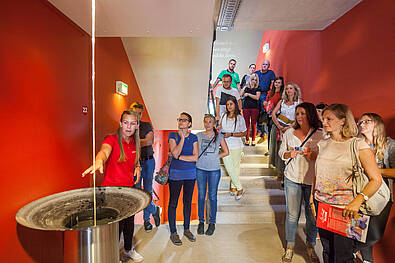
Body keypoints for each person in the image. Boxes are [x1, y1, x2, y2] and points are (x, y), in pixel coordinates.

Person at [312, 104, 382, 263]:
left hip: (347, 209)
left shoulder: (357, 145)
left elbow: (376, 179)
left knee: (344, 256)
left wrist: (358, 201)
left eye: (329, 119)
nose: (324, 122)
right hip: (322, 205)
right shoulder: (322, 144)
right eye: (323, 118)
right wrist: (312, 199)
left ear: (343, 121)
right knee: (327, 250)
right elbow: (317, 174)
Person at [82, 110, 144, 262]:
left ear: (137, 125)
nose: (128, 127)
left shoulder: (135, 143)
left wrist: (137, 167)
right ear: (120, 123)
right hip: (110, 193)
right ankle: (111, 256)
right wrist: (99, 161)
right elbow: (104, 151)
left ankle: (128, 250)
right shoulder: (112, 139)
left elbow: (135, 161)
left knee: (129, 224)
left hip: (129, 191)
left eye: (132, 123)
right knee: (114, 228)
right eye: (125, 123)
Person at [278, 102, 323, 263]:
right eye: (297, 114)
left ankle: (310, 245)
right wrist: (289, 153)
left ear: (310, 114)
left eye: (303, 113)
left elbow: (325, 157)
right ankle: (290, 246)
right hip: (292, 177)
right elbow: (281, 152)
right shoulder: (289, 132)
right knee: (292, 215)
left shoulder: (320, 134)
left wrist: (315, 156)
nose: (299, 117)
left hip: (312, 180)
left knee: (312, 217)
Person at [353, 113, 395, 263]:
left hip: (383, 195)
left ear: (377, 124)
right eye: (360, 122)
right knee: (359, 231)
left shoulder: (390, 145)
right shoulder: (356, 143)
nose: (362, 124)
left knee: (375, 234)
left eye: (367, 121)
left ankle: (348, 250)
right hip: (359, 193)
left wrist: (376, 171)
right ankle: (367, 261)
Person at [167, 112, 199, 246]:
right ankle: (173, 232)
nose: (181, 122)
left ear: (190, 123)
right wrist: (183, 139)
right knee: (173, 202)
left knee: (187, 202)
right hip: (175, 174)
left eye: (184, 120)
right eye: (179, 119)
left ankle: (186, 229)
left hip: (190, 174)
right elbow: (174, 153)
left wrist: (179, 158)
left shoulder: (194, 137)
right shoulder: (173, 136)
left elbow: (195, 157)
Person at [130, 102, 161, 232]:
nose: (137, 116)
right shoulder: (128, 126)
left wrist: (132, 142)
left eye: (139, 113)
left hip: (148, 162)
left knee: (147, 191)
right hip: (134, 164)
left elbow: (149, 141)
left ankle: (146, 220)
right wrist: (138, 142)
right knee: (138, 194)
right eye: (135, 112)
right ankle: (154, 209)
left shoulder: (146, 125)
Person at [196, 114, 229, 236]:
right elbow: (194, 151)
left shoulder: (219, 136)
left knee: (212, 196)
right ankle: (201, 221)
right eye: (205, 122)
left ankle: (212, 223)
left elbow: (226, 152)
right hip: (200, 168)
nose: (207, 124)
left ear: (214, 123)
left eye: (210, 122)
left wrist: (215, 157)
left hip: (214, 170)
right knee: (201, 195)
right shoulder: (198, 136)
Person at [271, 83, 302, 185]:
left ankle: (287, 173)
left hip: (292, 128)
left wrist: (288, 128)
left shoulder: (299, 102)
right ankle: (279, 170)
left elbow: (300, 117)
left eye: (291, 88)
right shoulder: (282, 102)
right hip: (279, 127)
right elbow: (273, 114)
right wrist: (279, 126)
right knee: (279, 148)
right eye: (287, 89)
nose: (289, 90)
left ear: (295, 90)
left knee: (290, 149)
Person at [219, 97, 247, 199]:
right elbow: (220, 128)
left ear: (235, 105)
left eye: (231, 104)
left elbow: (244, 133)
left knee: (235, 168)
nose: (229, 106)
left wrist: (231, 134)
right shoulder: (223, 116)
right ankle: (240, 188)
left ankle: (233, 186)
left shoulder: (240, 118)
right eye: (227, 104)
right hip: (225, 145)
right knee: (229, 167)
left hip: (237, 146)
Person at [255, 60, 276, 139]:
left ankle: (265, 132)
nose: (264, 65)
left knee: (264, 113)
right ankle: (259, 131)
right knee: (257, 112)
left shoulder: (271, 73)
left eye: (266, 64)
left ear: (269, 66)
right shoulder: (256, 73)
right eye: (263, 64)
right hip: (256, 94)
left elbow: (273, 83)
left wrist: (270, 94)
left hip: (265, 94)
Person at [240, 73, 261, 146]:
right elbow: (240, 94)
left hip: (255, 107)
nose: (254, 81)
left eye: (255, 80)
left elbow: (257, 97)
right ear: (250, 79)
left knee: (253, 124)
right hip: (246, 107)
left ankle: (253, 140)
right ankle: (247, 139)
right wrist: (244, 87)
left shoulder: (258, 88)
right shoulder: (246, 87)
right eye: (253, 79)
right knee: (246, 124)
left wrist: (248, 94)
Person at [265, 76, 285, 150]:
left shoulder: (282, 94)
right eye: (276, 82)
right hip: (269, 115)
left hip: (278, 115)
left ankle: (275, 150)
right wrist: (266, 106)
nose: (277, 84)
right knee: (269, 132)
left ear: (282, 84)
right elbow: (267, 102)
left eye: (279, 83)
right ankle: (269, 150)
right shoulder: (270, 92)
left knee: (276, 134)